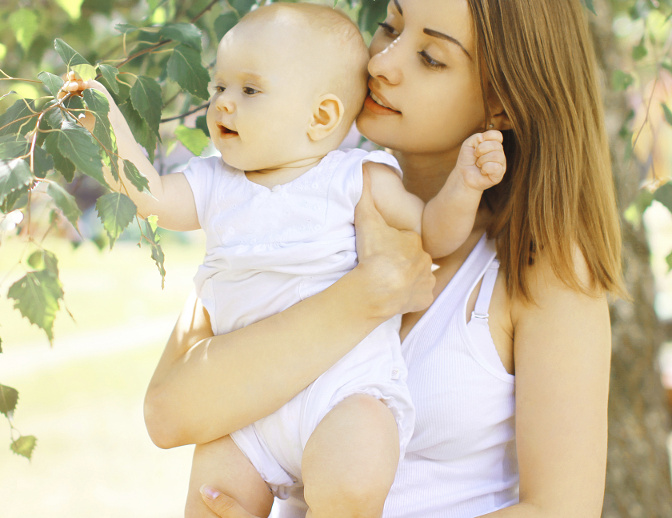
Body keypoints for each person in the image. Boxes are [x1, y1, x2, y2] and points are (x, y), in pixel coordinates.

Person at [139, 0, 627, 517]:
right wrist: (367, 296)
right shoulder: (282, 209)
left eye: (431, 58)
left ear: (501, 103)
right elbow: (169, 415)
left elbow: (560, 510)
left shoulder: (542, 267)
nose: (380, 64)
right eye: (389, 26)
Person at [64, 3, 505, 516]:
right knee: (215, 501)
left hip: (344, 394)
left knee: (354, 478)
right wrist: (103, 119)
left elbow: (434, 232)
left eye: (249, 91)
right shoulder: (213, 183)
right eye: (219, 88)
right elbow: (152, 194)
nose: (224, 104)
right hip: (248, 411)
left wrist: (465, 184)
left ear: (321, 117)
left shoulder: (356, 178)